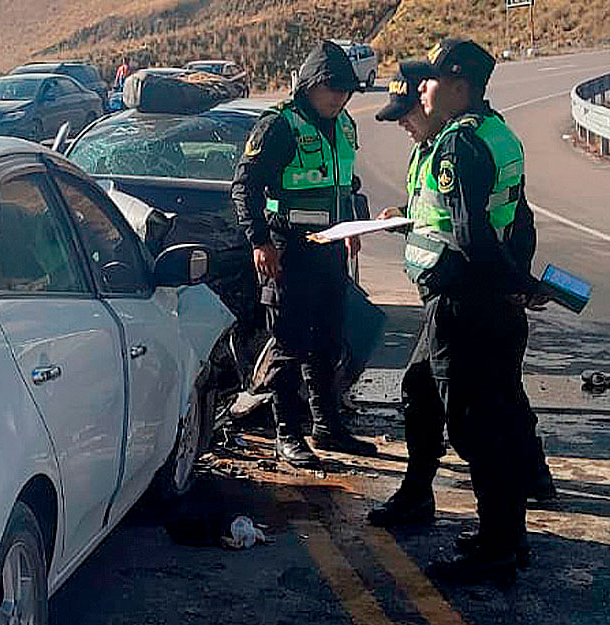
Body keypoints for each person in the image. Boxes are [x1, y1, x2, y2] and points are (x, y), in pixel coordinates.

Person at [363, 39, 550, 583]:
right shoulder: (497, 134)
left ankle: (498, 546)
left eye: (431, 80)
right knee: (421, 391)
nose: (421, 87)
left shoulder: (460, 146)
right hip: (472, 299)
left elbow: (471, 237)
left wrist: (517, 284)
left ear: (459, 86)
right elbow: (517, 217)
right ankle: (428, 501)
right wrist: (520, 279)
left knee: (477, 427)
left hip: (467, 303)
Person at [231, 40, 375, 468]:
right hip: (287, 250)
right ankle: (286, 434)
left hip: (331, 251)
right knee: (289, 344)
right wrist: (259, 241)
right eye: (330, 89)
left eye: (345, 90)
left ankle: (327, 426)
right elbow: (245, 186)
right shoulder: (280, 126)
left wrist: (354, 225)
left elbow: (344, 184)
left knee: (328, 342)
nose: (338, 97)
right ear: (309, 85)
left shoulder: (345, 125)